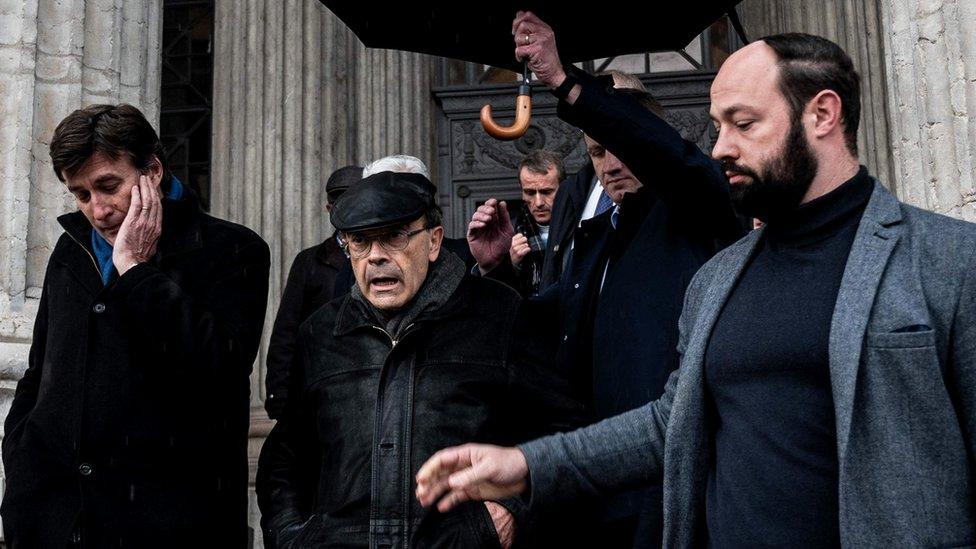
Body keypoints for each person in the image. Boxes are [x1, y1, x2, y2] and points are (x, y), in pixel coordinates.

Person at [417, 23, 976, 549]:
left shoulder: (948, 261)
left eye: (744, 123)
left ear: (822, 115)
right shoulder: (717, 280)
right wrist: (526, 465)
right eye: (716, 128)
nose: (720, 148)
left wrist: (564, 80)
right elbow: (670, 423)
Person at [466, 12, 742, 547]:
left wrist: (563, 81)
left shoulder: (697, 211)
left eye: (622, 148)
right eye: (596, 153)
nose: (611, 164)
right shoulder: (594, 239)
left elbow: (673, 159)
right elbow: (545, 332)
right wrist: (496, 269)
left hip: (672, 483)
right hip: (591, 486)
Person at [255, 170, 582, 548]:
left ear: (433, 241)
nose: (376, 257)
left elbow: (563, 431)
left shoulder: (500, 316)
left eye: (394, 237)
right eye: (360, 241)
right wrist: (292, 537)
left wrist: (511, 509)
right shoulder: (321, 332)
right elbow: (285, 458)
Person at [0, 104, 270, 547]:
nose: (98, 210)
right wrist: (23, 457)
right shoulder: (70, 254)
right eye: (81, 195)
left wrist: (136, 269)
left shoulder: (232, 249)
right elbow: (39, 372)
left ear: (154, 171)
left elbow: (219, 366)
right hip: (54, 518)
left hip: (166, 521)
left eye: (109, 186)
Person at [264, 165, 363, 419]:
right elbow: (285, 332)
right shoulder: (310, 261)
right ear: (329, 210)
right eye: (339, 204)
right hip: (323, 387)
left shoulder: (385, 254)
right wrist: (279, 396)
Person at [539, 71, 646, 291]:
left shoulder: (682, 203)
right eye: (598, 152)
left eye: (620, 144)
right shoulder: (569, 191)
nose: (611, 166)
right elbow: (555, 282)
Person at [509, 150, 564, 295]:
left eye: (547, 192)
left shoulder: (581, 223)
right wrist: (511, 264)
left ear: (563, 188)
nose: (538, 202)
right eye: (530, 193)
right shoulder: (509, 231)